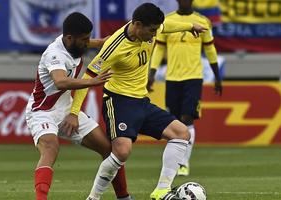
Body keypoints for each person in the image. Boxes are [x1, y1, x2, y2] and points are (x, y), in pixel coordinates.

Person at [65, 3, 208, 200]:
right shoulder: (114, 47)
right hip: (118, 101)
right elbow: (88, 77)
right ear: (138, 25)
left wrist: (190, 26)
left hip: (141, 101)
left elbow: (168, 26)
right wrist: (74, 112)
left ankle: (162, 191)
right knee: (122, 151)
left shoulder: (150, 30)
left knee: (182, 133)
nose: (155, 34)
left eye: (156, 29)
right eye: (152, 30)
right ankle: (93, 198)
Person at [25, 12, 132, 200]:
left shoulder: (72, 42)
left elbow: (89, 43)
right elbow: (60, 82)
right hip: (43, 112)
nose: (87, 42)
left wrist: (102, 42)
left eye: (88, 38)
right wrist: (93, 82)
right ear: (69, 38)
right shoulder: (54, 55)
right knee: (51, 147)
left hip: (67, 109)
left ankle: (124, 197)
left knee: (109, 150)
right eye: (84, 39)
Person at [147, 0, 222, 177]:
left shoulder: (203, 21)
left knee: (187, 118)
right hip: (172, 77)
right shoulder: (168, 21)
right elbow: (159, 50)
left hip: (194, 77)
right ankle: (175, 162)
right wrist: (152, 73)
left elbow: (210, 50)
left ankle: (183, 163)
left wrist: (217, 76)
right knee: (174, 122)